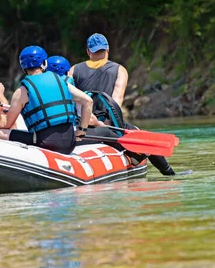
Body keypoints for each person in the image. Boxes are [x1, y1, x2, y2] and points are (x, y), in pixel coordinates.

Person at [71, 33, 176, 175]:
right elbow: (115, 104)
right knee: (141, 134)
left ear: (88, 51)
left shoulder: (73, 70)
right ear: (107, 50)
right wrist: (104, 124)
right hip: (107, 123)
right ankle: (168, 172)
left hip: (81, 124)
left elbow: (70, 100)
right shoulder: (120, 70)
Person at [0, 46, 93, 155]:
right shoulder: (60, 81)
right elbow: (88, 101)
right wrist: (82, 131)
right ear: (44, 63)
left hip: (45, 144)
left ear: (23, 67)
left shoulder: (21, 91)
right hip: (70, 143)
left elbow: (8, 124)